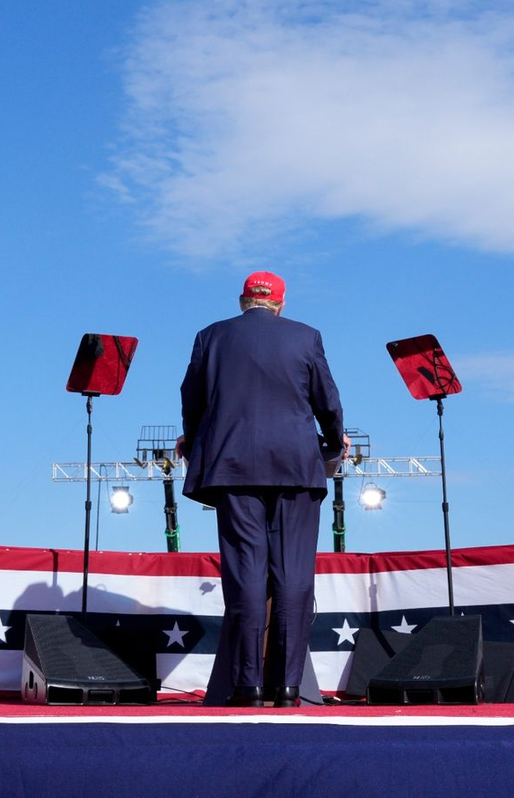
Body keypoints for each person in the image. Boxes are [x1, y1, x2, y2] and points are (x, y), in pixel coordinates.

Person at [178, 270, 345, 708]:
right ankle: (288, 689)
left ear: (241, 301)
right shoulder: (306, 337)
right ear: (281, 305)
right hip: (296, 468)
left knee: (246, 575)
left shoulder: (209, 337)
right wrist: (333, 441)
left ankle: (247, 686)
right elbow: (326, 400)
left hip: (232, 467)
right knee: (293, 577)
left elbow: (191, 399)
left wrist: (194, 442)